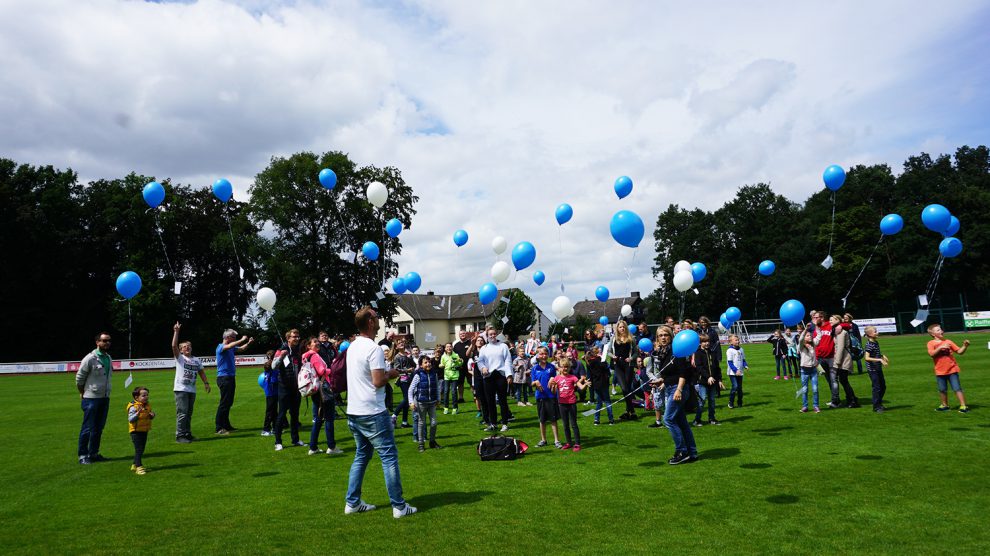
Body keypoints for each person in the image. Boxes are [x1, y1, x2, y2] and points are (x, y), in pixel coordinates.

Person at [344, 307, 416, 518]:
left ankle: (353, 502)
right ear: (369, 322)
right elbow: (377, 381)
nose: (379, 320)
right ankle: (399, 506)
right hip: (372, 412)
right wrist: (392, 373)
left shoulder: (353, 346)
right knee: (389, 458)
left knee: (361, 456)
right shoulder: (373, 349)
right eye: (376, 317)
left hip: (355, 411)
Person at [649, 325, 698, 465]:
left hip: (678, 389)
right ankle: (692, 452)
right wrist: (661, 381)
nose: (663, 338)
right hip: (670, 387)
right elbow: (671, 374)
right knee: (682, 422)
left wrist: (679, 390)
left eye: (666, 335)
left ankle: (682, 451)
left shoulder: (677, 350)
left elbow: (683, 373)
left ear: (671, 336)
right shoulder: (662, 353)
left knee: (668, 419)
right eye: (660, 336)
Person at [76, 332, 113, 464]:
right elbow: (79, 379)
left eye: (108, 340)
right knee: (87, 428)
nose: (107, 343)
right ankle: (83, 455)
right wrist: (83, 393)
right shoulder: (90, 358)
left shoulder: (108, 357)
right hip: (91, 398)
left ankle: (94, 453)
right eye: (104, 341)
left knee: (98, 428)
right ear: (97, 342)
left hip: (104, 398)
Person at [171, 322, 210, 443]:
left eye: (189, 346)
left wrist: (206, 383)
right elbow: (173, 346)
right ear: (181, 350)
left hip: (192, 390)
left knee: (188, 413)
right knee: (182, 413)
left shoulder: (196, 360)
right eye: (184, 347)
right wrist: (176, 332)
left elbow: (201, 372)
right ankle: (180, 435)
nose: (187, 348)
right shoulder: (180, 359)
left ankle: (187, 433)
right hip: (181, 389)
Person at [304, 337, 342, 455]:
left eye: (317, 341)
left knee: (319, 419)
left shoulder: (305, 357)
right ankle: (331, 446)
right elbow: (321, 371)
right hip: (323, 388)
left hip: (315, 389)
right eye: (314, 342)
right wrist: (331, 369)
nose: (317, 343)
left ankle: (313, 447)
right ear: (309, 346)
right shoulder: (314, 356)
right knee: (329, 418)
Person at [214, 328, 253, 435]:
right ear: (227, 338)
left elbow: (241, 349)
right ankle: (219, 427)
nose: (235, 339)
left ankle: (226, 425)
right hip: (224, 378)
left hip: (230, 378)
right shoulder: (221, 347)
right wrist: (242, 339)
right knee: (224, 403)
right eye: (234, 337)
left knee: (228, 403)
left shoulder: (230, 348)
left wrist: (248, 343)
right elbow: (231, 346)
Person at [927, 324, 970, 413]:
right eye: (938, 330)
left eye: (940, 329)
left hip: (952, 369)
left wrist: (965, 346)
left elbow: (959, 351)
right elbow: (932, 354)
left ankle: (963, 406)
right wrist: (940, 347)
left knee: (957, 388)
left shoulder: (948, 341)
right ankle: (945, 405)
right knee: (942, 389)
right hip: (939, 371)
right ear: (933, 334)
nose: (941, 331)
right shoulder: (930, 343)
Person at [273, 329, 304, 451]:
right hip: (284, 387)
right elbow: (273, 366)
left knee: (295, 415)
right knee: (281, 414)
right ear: (288, 338)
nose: (297, 338)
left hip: (296, 388)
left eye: (298, 336)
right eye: (294, 337)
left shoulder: (298, 351)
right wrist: (281, 356)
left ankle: (295, 439)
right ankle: (278, 441)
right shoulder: (281, 349)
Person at [549, 358, 588, 452]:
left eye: (567, 367)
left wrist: (586, 384)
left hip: (572, 403)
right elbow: (553, 392)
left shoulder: (573, 377)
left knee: (573, 424)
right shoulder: (557, 378)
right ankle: (569, 443)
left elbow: (581, 387)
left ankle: (577, 443)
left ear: (569, 367)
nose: (565, 369)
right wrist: (553, 386)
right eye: (563, 367)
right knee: (565, 425)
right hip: (562, 403)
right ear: (559, 368)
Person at [478, 328, 513, 432]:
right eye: (490, 334)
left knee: (502, 401)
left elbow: (508, 360)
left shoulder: (503, 346)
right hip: (488, 377)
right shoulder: (484, 348)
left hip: (500, 375)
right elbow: (480, 361)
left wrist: (509, 375)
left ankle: (505, 423)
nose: (492, 336)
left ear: (496, 335)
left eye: (494, 334)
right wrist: (483, 368)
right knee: (490, 401)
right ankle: (493, 423)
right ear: (487, 336)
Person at [530, 346, 562, 448]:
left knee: (553, 419)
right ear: (537, 356)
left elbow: (556, 378)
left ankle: (557, 440)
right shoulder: (535, 368)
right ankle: (543, 440)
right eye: (541, 354)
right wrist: (535, 382)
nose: (543, 356)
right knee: (542, 420)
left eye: (545, 354)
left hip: (551, 396)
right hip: (540, 397)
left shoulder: (551, 367)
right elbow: (531, 383)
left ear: (548, 355)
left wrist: (553, 378)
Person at [409, 354, 442, 452]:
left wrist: (438, 399)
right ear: (421, 365)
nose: (428, 364)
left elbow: (437, 387)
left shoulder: (434, 374)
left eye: (429, 362)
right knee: (421, 423)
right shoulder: (418, 375)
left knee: (434, 423)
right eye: (425, 362)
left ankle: (432, 441)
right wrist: (411, 402)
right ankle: (421, 444)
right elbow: (410, 390)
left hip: (432, 402)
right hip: (421, 403)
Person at [830, 315, 860, 408]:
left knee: (844, 380)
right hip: (842, 359)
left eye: (832, 320)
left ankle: (853, 400)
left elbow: (840, 347)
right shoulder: (836, 331)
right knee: (843, 380)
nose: (830, 321)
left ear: (838, 320)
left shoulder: (841, 332)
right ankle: (852, 399)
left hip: (843, 360)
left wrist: (837, 362)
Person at [693, 335, 724, 426]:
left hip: (713, 381)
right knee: (702, 401)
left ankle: (712, 418)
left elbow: (717, 368)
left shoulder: (712, 352)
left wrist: (719, 380)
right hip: (703, 381)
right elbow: (699, 368)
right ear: (700, 343)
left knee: (712, 401)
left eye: (708, 341)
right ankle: (697, 420)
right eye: (704, 341)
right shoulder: (698, 353)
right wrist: (708, 377)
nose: (706, 343)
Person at [610, 320, 637, 421]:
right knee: (624, 388)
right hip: (618, 365)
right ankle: (632, 411)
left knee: (628, 389)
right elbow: (608, 351)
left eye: (623, 327)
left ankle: (627, 411)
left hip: (628, 365)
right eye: (620, 327)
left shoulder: (631, 339)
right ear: (617, 328)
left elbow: (636, 353)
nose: (622, 329)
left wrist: (631, 358)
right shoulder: (614, 339)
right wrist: (613, 356)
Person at [126, 386, 155, 475]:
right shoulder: (133, 407)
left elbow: (149, 416)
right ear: (136, 397)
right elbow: (130, 419)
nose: (146, 397)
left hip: (144, 430)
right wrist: (137, 414)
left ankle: (134, 465)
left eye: (147, 395)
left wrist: (152, 415)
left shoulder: (146, 405)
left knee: (141, 449)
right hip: (135, 431)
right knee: (139, 449)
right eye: (143, 395)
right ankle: (139, 467)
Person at [862, 326, 889, 413]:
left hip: (878, 368)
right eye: (875, 331)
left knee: (883, 387)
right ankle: (876, 407)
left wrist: (882, 356)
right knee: (877, 387)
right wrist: (880, 360)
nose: (877, 332)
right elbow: (867, 358)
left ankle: (878, 403)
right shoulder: (869, 345)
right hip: (872, 370)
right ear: (869, 335)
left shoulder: (875, 342)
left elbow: (875, 354)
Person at [586, 347, 614, 425]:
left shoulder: (590, 362)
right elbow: (605, 366)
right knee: (607, 401)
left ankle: (596, 420)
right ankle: (611, 419)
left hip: (596, 384)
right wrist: (602, 358)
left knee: (599, 402)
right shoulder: (599, 361)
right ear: (596, 354)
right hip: (603, 383)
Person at [390, 340, 415, 426]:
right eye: (399, 343)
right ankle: (394, 415)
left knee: (407, 399)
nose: (401, 344)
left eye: (402, 343)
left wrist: (410, 357)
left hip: (409, 379)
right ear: (396, 347)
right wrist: (407, 370)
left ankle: (404, 422)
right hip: (403, 379)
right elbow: (396, 369)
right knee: (407, 399)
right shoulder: (397, 357)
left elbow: (413, 365)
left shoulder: (407, 354)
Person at [797, 326, 820, 413]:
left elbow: (819, 337)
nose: (809, 336)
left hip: (813, 370)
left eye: (810, 335)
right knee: (805, 389)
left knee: (815, 389)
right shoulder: (802, 346)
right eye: (807, 336)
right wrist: (805, 330)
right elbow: (801, 339)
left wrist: (817, 329)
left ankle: (816, 406)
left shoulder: (813, 344)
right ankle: (805, 406)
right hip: (804, 370)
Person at [466, 335, 489, 423]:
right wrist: (472, 344)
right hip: (477, 377)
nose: (479, 341)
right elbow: (467, 354)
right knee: (481, 397)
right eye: (478, 340)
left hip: (486, 376)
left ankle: (490, 417)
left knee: (488, 397)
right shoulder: (474, 352)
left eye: (481, 340)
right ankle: (485, 417)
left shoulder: (486, 351)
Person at [440, 343, 462, 415]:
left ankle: (455, 408)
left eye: (450, 346)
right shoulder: (443, 356)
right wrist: (441, 365)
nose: (449, 348)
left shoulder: (456, 355)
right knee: (446, 391)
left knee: (453, 392)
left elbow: (460, 364)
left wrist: (460, 361)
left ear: (452, 348)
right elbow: (441, 364)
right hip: (446, 376)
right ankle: (446, 408)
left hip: (455, 376)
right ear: (445, 349)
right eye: (447, 347)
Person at [725, 334, 747, 408]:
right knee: (735, 386)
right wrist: (736, 370)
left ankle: (740, 402)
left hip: (740, 372)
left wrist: (745, 365)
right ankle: (731, 402)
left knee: (740, 388)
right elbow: (730, 362)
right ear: (731, 342)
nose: (738, 341)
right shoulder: (729, 350)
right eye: (736, 340)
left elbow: (743, 359)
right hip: (732, 372)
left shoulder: (741, 349)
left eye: (738, 340)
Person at [260, 350, 278, 436]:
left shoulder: (268, 365)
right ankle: (265, 429)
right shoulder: (272, 367)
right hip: (272, 392)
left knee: (274, 411)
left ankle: (275, 428)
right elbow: (274, 381)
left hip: (271, 392)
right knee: (270, 411)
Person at [452, 330, 471, 403]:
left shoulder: (470, 343)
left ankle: (476, 396)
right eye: (461, 334)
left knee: (471, 383)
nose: (462, 335)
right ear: (459, 335)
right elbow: (454, 356)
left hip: (469, 367)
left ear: (466, 334)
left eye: (463, 333)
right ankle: (461, 398)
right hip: (460, 367)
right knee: (460, 383)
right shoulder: (456, 345)